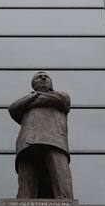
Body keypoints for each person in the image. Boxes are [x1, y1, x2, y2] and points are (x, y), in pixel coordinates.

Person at [8, 71, 74, 199]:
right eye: (39, 77)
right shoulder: (27, 100)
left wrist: (32, 98)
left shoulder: (62, 96)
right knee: (26, 182)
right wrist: (33, 98)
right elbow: (13, 108)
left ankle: (66, 202)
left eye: (46, 76)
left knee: (61, 176)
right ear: (33, 85)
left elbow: (61, 100)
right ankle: (23, 202)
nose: (43, 77)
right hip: (28, 141)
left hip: (54, 140)